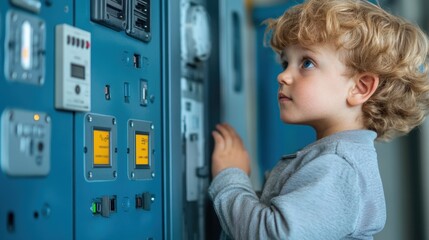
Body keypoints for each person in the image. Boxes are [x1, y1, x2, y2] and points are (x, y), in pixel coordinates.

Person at [208, 0, 429, 239]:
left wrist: (230, 176)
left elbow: (269, 234)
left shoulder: (339, 167)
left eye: (307, 63)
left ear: (359, 88)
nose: (282, 75)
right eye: (285, 62)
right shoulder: (334, 160)